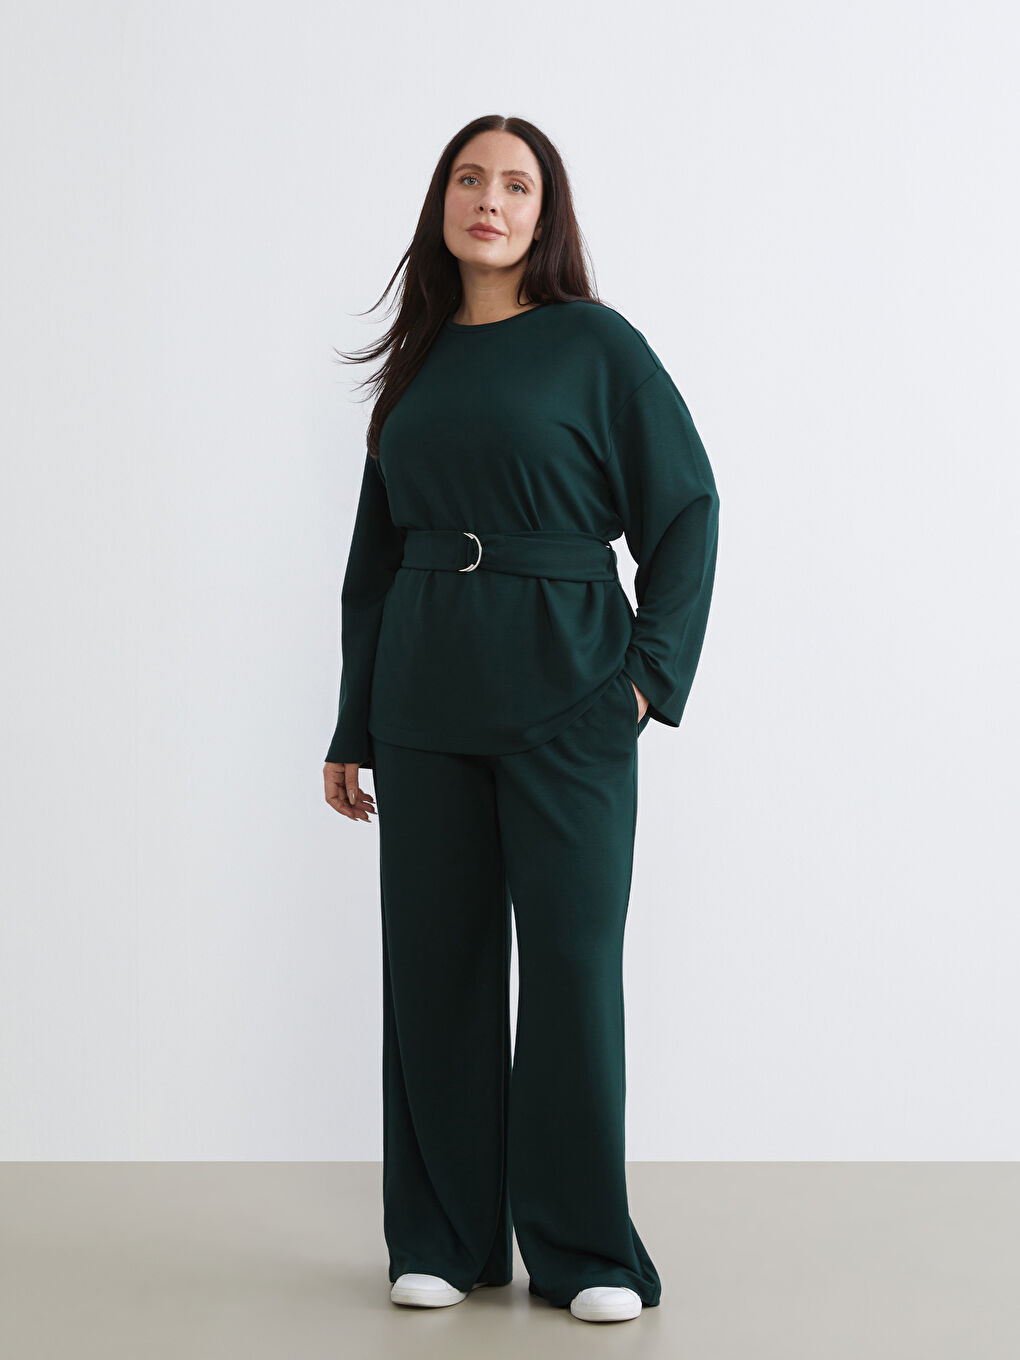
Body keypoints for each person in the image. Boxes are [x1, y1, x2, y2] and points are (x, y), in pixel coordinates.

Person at [322, 115, 720, 1326]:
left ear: (546, 215)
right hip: (425, 700)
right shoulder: (418, 361)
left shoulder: (597, 345)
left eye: (515, 184)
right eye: (468, 178)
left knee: (569, 975)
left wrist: (645, 679)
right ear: (441, 201)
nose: (488, 199)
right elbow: (374, 560)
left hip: (571, 699)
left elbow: (687, 509)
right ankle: (444, 1237)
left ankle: (585, 1249)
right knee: (434, 973)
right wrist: (353, 723)